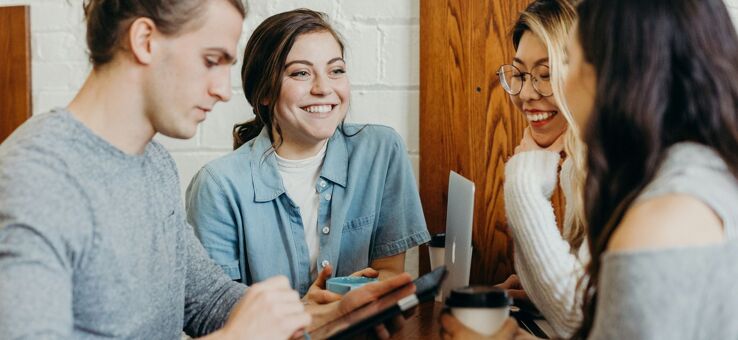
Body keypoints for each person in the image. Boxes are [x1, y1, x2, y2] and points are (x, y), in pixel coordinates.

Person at [0, 1, 413, 339]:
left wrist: (316, 317)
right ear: (145, 40)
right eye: (211, 60)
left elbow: (205, 301)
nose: (221, 89)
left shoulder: (153, 164)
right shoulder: (35, 179)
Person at [444, 0, 738, 338]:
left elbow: (580, 315)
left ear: (617, 76)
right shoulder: (698, 177)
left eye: (567, 62)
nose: (560, 85)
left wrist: (522, 184)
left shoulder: (661, 218)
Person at [185, 8, 430, 298]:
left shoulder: (381, 151)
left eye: (336, 70)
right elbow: (217, 311)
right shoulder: (217, 186)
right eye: (301, 73)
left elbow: (390, 272)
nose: (324, 88)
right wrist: (311, 314)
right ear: (264, 92)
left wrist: (349, 304)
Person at [496, 0, 588, 337]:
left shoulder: (610, 167)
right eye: (519, 75)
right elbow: (583, 299)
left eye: (546, 76)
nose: (526, 94)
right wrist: (538, 292)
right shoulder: (577, 166)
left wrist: (523, 184)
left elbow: (579, 319)